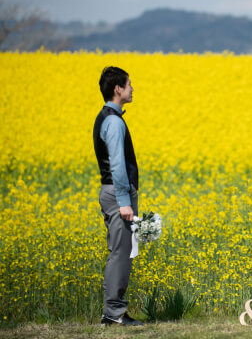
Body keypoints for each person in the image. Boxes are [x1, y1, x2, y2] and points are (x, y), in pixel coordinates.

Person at [93, 66, 143, 326]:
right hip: (117, 194)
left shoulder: (108, 117)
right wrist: (125, 202)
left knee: (120, 251)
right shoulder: (113, 121)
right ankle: (114, 314)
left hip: (113, 193)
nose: (133, 88)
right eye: (130, 84)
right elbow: (117, 164)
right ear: (118, 89)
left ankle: (114, 312)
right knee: (120, 253)